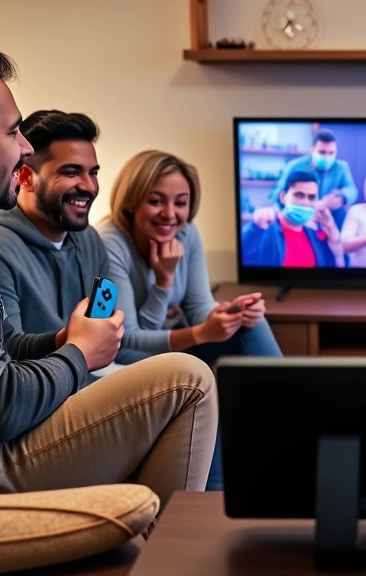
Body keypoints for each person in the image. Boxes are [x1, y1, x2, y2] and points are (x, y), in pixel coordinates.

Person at [0, 36, 217, 507]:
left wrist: (63, 341)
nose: (24, 148)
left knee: (195, 375)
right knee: (187, 381)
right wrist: (83, 354)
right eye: (12, 132)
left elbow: (8, 347)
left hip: (6, 428)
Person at [98, 150, 283, 491]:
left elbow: (199, 307)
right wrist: (164, 285)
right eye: (156, 201)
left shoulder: (186, 234)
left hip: (165, 343)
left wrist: (229, 313)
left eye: (181, 203)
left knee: (250, 324)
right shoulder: (109, 244)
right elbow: (127, 341)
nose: (171, 214)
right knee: (210, 381)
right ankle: (220, 485)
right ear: (132, 202)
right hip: (121, 357)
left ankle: (283, 423)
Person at [0, 109, 135, 374]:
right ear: (26, 178)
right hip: (42, 390)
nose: (89, 186)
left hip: (92, 374)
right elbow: (11, 361)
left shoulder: (89, 239)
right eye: (71, 173)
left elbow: (108, 338)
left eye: (92, 173)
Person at [240, 170, 344, 267]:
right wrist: (254, 227)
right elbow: (243, 255)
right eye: (299, 195)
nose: (305, 203)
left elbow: (338, 266)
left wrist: (332, 229)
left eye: (311, 197)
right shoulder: (264, 229)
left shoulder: (315, 236)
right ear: (283, 197)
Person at [269, 129, 356, 228]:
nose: (327, 157)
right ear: (312, 150)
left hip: (329, 220)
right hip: (300, 220)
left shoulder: (341, 167)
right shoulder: (295, 166)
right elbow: (276, 197)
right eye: (322, 152)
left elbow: (352, 190)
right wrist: (317, 205)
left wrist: (341, 196)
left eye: (331, 153)